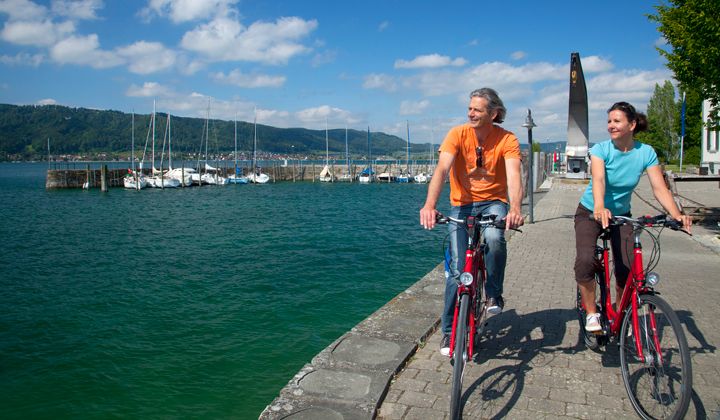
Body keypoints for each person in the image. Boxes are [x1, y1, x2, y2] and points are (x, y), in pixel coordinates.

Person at [420, 87, 524, 356]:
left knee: (493, 237)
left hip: (494, 203)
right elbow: (442, 169)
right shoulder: (457, 134)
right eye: (470, 108)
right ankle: (447, 333)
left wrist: (514, 208)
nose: (471, 113)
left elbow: (514, 175)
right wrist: (430, 205)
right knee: (457, 272)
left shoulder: (507, 139)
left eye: (477, 109)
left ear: (494, 113)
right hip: (462, 205)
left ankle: (493, 293)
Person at [575, 101, 692, 332]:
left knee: (628, 270)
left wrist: (677, 215)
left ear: (632, 125)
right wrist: (599, 206)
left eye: (617, 121)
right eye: (609, 121)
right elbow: (598, 179)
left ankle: (620, 312)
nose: (611, 125)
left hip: (622, 216)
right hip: (590, 211)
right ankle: (591, 313)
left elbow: (659, 188)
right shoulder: (601, 149)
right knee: (586, 260)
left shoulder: (646, 152)